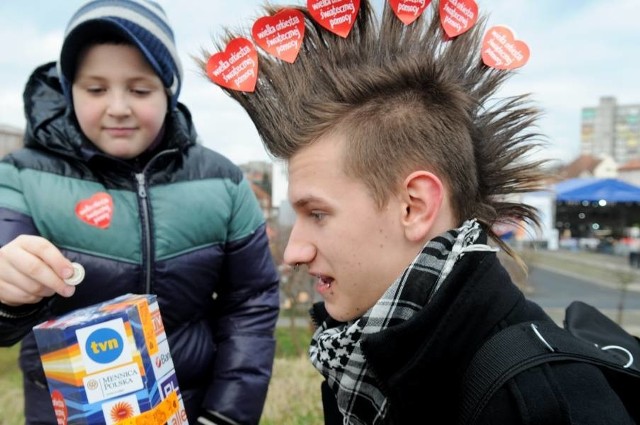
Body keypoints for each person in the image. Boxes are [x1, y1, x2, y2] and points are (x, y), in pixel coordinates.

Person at [204, 1, 636, 424]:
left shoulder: (547, 404)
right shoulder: (356, 360)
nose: (293, 251)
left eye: (316, 214)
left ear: (414, 206)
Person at [0, 1, 280, 424]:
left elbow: (252, 301)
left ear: (169, 90)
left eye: (140, 89)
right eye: (95, 89)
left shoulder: (223, 182)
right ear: (68, 88)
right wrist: (9, 294)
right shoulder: (21, 176)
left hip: (193, 407)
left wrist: (227, 415)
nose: (118, 107)